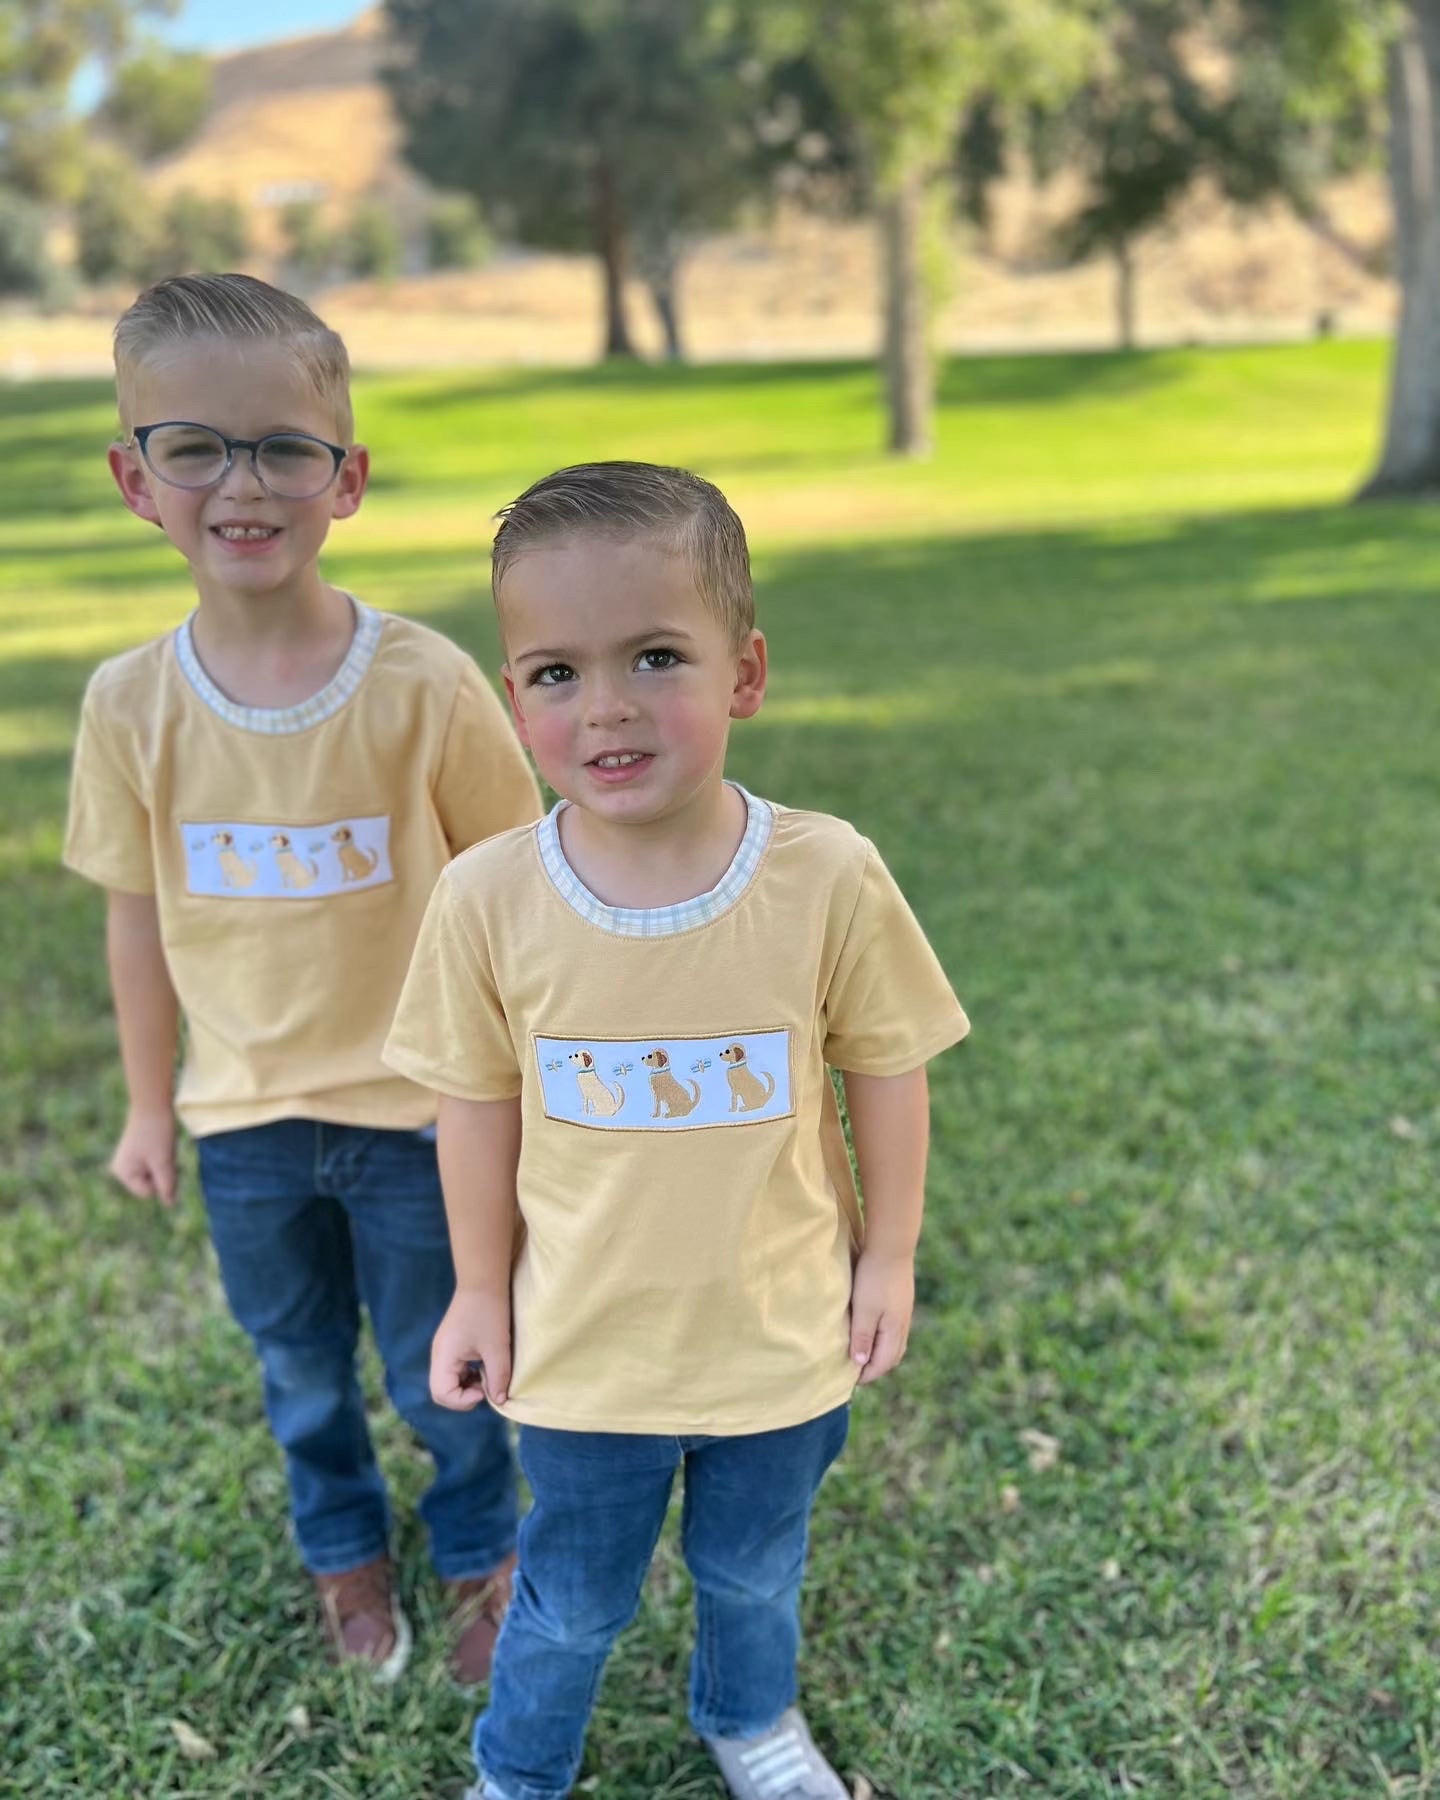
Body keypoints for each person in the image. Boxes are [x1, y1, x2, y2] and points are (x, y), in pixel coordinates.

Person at [383, 461, 969, 1799]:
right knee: (574, 1601)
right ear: (513, 690)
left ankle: (750, 1720)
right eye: (554, 673)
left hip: (780, 1336)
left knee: (756, 1570)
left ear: (746, 671)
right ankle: (520, 1771)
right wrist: (478, 1287)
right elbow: (470, 1104)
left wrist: (889, 1256)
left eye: (655, 656)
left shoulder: (824, 873)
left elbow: (885, 1065)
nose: (608, 709)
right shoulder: (488, 900)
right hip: (586, 1345)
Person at [62, 273, 541, 1686]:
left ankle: (478, 1552)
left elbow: (517, 894)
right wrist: (151, 1108)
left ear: (348, 480)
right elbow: (137, 926)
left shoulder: (426, 684)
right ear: (135, 479)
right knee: (299, 1374)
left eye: (284, 446)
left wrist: (527, 1091)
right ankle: (345, 1555)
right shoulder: (128, 706)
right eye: (192, 446)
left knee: (447, 1366)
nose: (241, 481)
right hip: (246, 1124)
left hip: (421, 1117)